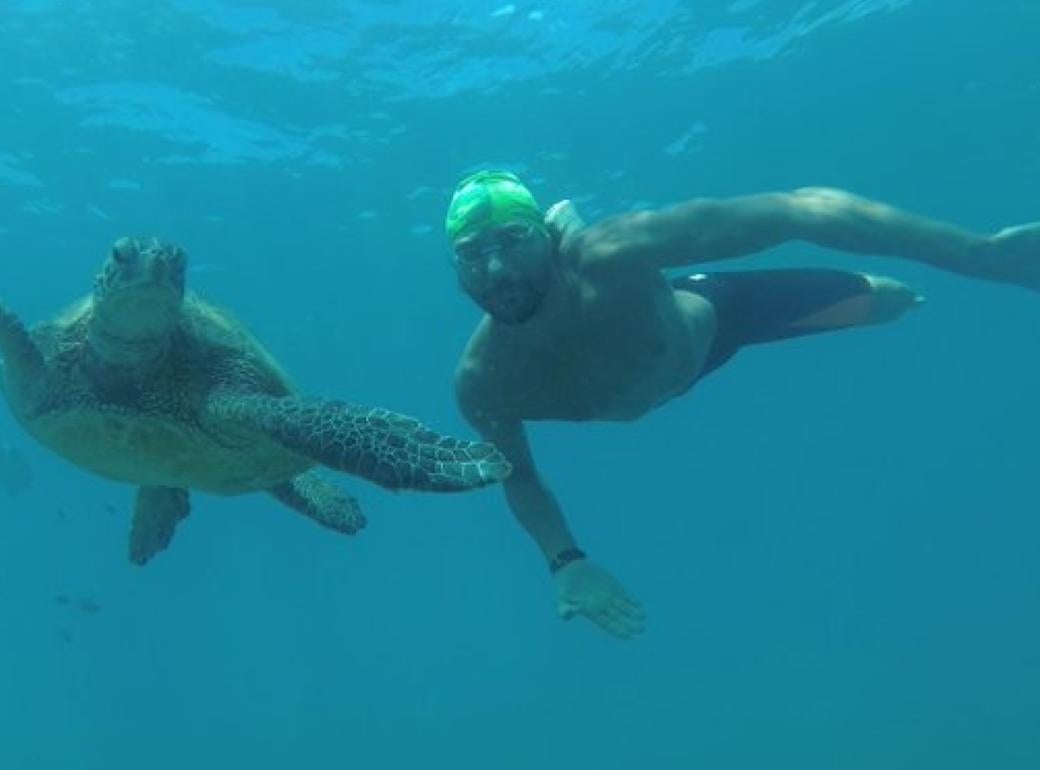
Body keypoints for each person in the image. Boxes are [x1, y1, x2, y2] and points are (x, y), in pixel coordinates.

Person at [444, 170, 1040, 640]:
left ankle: (568, 225)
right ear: (456, 269)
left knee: (891, 300)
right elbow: (517, 477)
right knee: (889, 302)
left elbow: (798, 208)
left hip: (718, 320)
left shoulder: (616, 252)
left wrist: (976, 253)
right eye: (472, 253)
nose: (495, 268)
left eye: (513, 240)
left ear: (542, 241)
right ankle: (557, 225)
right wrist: (565, 561)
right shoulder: (484, 382)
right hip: (651, 358)